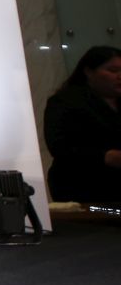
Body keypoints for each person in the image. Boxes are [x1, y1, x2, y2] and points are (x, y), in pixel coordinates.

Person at [44, 46, 121, 205]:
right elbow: (59, 147)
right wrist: (106, 157)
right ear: (88, 72)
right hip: (83, 188)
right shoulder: (65, 102)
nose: (119, 76)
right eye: (113, 70)